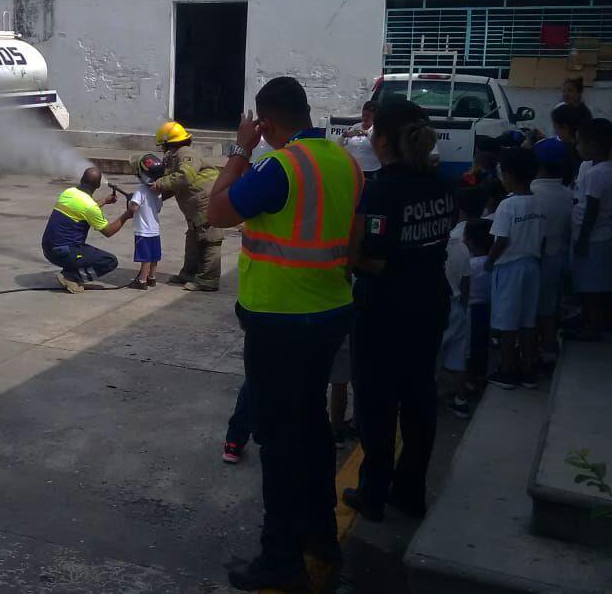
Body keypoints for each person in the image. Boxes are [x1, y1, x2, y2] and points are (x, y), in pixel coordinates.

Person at [206, 76, 362, 591]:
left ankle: (279, 558)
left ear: (265, 123)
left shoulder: (281, 166)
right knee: (313, 428)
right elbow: (354, 241)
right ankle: (320, 537)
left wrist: (239, 150)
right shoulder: (345, 161)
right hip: (331, 313)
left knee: (276, 442)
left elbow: (218, 210)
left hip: (279, 323)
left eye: (258, 128)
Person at [342, 100, 455, 525]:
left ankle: (372, 493)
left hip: (385, 310)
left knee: (376, 405)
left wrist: (345, 257)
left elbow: (371, 259)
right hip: (431, 302)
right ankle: (410, 492)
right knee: (420, 399)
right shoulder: (443, 183)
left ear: (381, 138)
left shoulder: (383, 190)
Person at [486, 148, 547, 389]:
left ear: (508, 175)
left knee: (507, 322)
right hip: (532, 264)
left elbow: (501, 240)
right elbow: (542, 238)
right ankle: (527, 369)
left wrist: (490, 261)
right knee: (527, 321)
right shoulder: (538, 201)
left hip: (509, 267)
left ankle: (507, 368)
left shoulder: (507, 206)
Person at [152, 121, 223, 291]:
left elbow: (185, 177)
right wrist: (154, 197)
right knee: (193, 239)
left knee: (210, 240)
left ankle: (208, 279)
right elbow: (175, 184)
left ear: (169, 143)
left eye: (163, 145)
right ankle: (189, 273)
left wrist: (160, 184)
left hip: (208, 203)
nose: (163, 149)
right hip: (196, 207)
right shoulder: (177, 156)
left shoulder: (186, 154)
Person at [42, 167, 130, 293]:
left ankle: (70, 273)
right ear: (98, 185)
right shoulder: (90, 207)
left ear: (82, 179)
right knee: (109, 261)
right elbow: (108, 232)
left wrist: (105, 200)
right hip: (64, 253)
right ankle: (71, 277)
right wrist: (126, 215)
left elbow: (83, 209)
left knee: (87, 251)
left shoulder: (68, 192)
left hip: (48, 249)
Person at [530, 138, 574, 361]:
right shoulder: (567, 193)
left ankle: (535, 351)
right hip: (558, 257)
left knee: (532, 309)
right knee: (549, 307)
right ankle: (549, 348)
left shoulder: (532, 192)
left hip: (535, 259)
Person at [572, 118, 612, 340]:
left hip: (593, 238)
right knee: (594, 284)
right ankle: (591, 321)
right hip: (601, 235)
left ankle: (593, 326)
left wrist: (583, 238)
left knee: (591, 287)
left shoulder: (596, 174)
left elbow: (592, 210)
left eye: (580, 143)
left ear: (594, 145)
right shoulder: (599, 170)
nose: (577, 147)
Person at [440, 202, 473, 420]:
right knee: (458, 357)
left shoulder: (434, 249)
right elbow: (466, 281)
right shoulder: (461, 246)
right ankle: (462, 399)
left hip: (437, 309)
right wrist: (464, 305)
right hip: (458, 306)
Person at [463, 219, 494, 391]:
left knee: (470, 347)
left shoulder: (472, 265)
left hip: (471, 310)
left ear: (471, 242)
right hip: (486, 307)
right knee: (482, 344)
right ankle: (480, 376)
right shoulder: (491, 262)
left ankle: (471, 379)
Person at [127, 153, 165, 290]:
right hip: (155, 230)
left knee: (145, 258)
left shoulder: (140, 190)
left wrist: (130, 202)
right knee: (154, 256)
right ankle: (152, 278)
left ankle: (142, 281)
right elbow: (159, 208)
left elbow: (134, 207)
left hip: (143, 231)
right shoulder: (158, 191)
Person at [340, 100, 381, 179]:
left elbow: (379, 147)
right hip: (353, 169)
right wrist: (344, 136)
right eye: (363, 115)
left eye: (368, 116)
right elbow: (342, 145)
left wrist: (365, 133)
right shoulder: (356, 126)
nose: (365, 118)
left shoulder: (378, 130)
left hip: (370, 171)